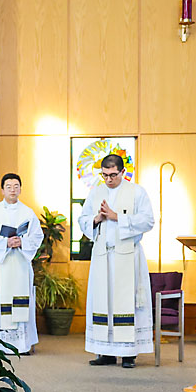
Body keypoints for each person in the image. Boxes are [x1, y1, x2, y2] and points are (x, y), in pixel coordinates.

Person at [78, 154, 155, 368]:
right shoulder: (96, 192)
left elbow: (148, 221)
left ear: (123, 172)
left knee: (126, 301)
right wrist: (97, 219)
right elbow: (83, 220)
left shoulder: (137, 192)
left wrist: (116, 217)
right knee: (105, 301)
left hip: (127, 256)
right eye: (104, 175)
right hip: (103, 256)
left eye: (113, 175)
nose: (108, 179)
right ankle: (105, 352)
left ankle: (129, 353)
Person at [0, 173, 43, 354]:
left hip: (21, 262)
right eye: (9, 186)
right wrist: (5, 243)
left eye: (16, 186)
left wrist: (22, 242)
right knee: (0, 299)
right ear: (2, 189)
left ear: (21, 189)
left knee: (21, 301)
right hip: (2, 262)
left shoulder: (28, 212)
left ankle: (22, 344)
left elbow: (37, 236)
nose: (13, 190)